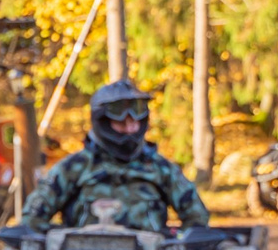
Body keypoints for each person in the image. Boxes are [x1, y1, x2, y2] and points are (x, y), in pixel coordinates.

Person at [18, 78, 208, 232]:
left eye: (134, 122)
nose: (130, 130)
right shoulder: (74, 168)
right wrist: (59, 245)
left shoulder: (160, 168)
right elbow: (31, 221)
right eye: (121, 123)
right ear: (102, 121)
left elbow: (197, 220)